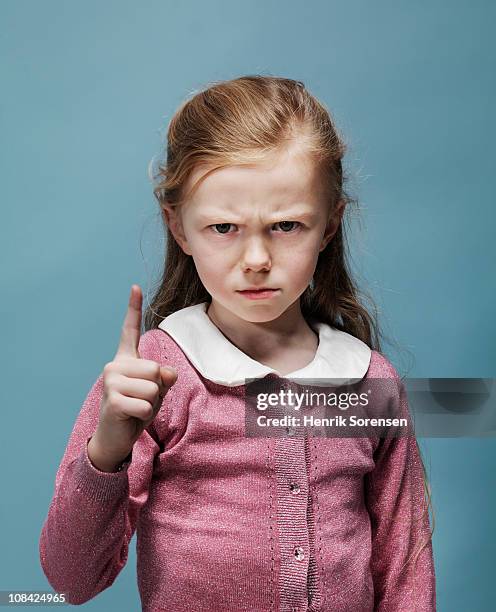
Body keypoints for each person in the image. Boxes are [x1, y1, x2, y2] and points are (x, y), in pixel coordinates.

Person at [39, 75, 436, 611]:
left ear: (329, 225)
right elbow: (70, 580)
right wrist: (107, 451)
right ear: (178, 227)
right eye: (224, 227)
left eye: (287, 225)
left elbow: (406, 570)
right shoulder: (157, 375)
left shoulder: (369, 383)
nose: (255, 259)